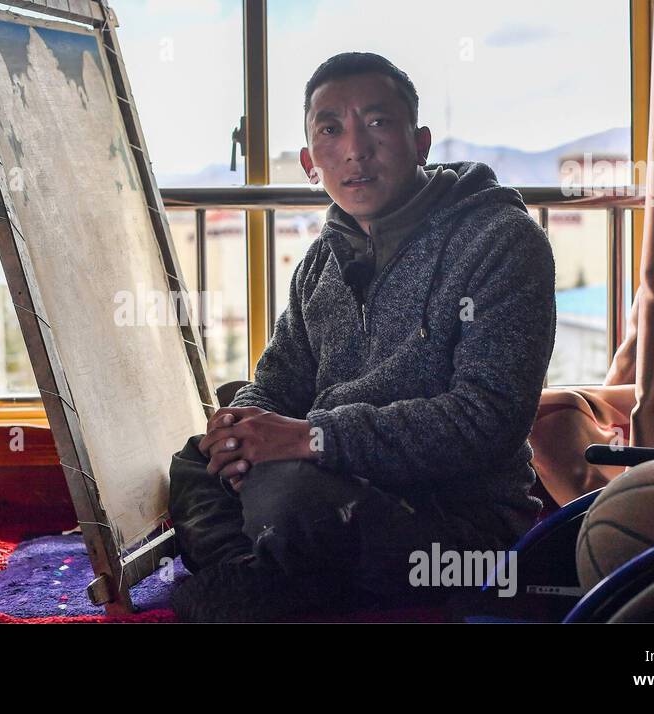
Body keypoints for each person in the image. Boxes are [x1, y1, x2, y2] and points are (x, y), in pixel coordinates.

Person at [167, 52, 557, 622]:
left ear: (420, 142)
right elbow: (277, 383)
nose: (355, 149)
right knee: (195, 458)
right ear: (308, 161)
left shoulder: (503, 242)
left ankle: (260, 585)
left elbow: (485, 421)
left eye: (377, 123)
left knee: (294, 499)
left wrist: (315, 439)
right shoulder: (322, 261)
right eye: (330, 129)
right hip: (340, 480)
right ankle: (251, 582)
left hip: (462, 527)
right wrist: (239, 430)